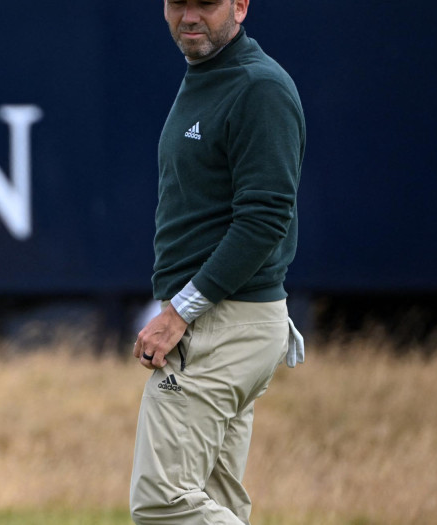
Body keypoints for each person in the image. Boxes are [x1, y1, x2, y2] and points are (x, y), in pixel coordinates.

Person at [129, 0, 306, 523]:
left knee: (163, 501)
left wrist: (179, 313)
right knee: (214, 500)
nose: (188, 15)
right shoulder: (209, 74)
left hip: (223, 324)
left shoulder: (259, 88)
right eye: (177, 2)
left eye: (205, 3)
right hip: (226, 322)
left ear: (241, 5)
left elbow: (264, 220)